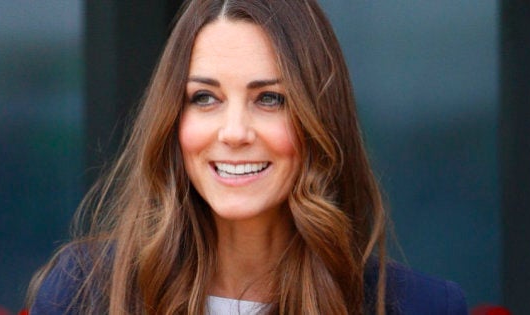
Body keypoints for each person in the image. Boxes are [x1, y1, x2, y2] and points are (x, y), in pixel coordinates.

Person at [27, 0, 467, 314]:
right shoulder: (82, 294)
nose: (234, 132)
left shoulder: (422, 306)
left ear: (320, 119)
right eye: (204, 98)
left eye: (270, 99)